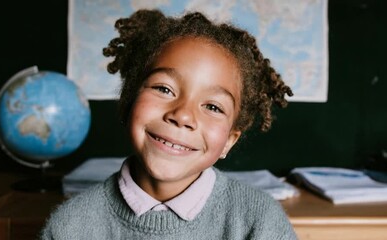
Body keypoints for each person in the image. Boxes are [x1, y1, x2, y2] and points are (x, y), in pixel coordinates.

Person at [41, 9, 297, 240]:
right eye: (164, 89)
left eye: (212, 107)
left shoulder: (260, 223)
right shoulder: (70, 227)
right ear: (128, 101)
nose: (183, 116)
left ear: (228, 142)